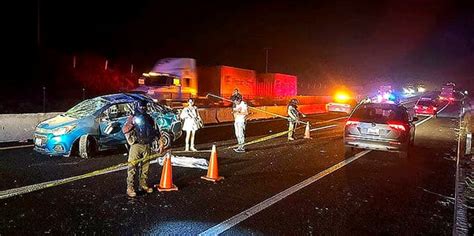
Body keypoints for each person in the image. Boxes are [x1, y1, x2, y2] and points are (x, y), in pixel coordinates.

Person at [122, 100, 160, 198]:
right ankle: (130, 187)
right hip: (136, 145)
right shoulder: (132, 117)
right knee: (132, 167)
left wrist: (160, 141)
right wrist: (132, 124)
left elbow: (155, 130)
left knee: (145, 167)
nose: (143, 108)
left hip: (147, 145)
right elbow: (124, 129)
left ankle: (143, 185)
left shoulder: (148, 118)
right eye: (141, 107)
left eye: (144, 107)